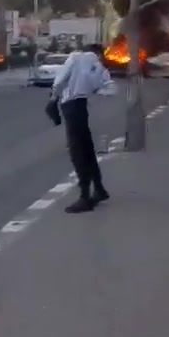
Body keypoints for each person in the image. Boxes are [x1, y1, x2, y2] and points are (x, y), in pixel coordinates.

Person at [51, 44, 115, 214]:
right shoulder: (100, 67)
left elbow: (60, 79)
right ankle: (99, 188)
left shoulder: (76, 57)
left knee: (77, 152)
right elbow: (111, 89)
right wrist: (92, 89)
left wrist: (53, 99)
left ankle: (85, 196)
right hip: (81, 106)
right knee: (87, 150)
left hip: (70, 106)